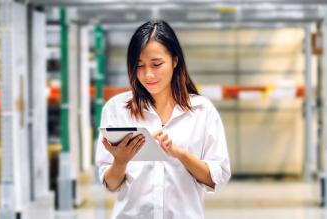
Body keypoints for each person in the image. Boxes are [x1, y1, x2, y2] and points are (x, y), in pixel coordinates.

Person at [95, 20, 232, 219]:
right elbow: (111, 184)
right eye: (139, 66)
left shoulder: (203, 111)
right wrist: (120, 162)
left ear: (175, 60)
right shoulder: (117, 109)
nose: (148, 74)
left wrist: (180, 154)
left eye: (157, 64)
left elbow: (216, 178)